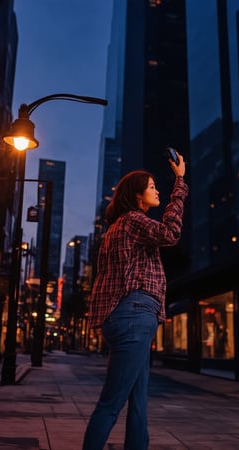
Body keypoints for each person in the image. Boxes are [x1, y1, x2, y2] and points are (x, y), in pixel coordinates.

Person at [82, 151, 188, 450]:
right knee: (111, 403)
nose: (157, 191)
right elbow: (170, 234)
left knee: (139, 401)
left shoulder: (116, 229)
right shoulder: (132, 221)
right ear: (138, 195)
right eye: (152, 186)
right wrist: (180, 182)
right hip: (134, 315)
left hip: (124, 316)